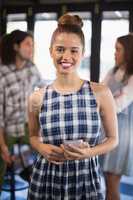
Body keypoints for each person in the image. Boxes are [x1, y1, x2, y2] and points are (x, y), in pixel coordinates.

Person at [28, 14, 118, 200]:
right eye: (60, 49)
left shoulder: (100, 92)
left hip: (85, 179)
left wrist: (89, 152)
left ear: (82, 53)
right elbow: (33, 136)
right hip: (46, 179)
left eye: (74, 51)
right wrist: (41, 147)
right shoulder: (37, 97)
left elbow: (112, 139)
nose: (66, 56)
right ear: (51, 51)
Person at [0, 30, 42, 191]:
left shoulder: (32, 68)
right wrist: (2, 146)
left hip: (26, 124)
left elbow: (42, 89)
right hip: (6, 129)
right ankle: (22, 168)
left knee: (45, 151)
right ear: (16, 47)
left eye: (32, 45)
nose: (31, 48)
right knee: (1, 164)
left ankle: (31, 175)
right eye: (27, 44)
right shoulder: (3, 72)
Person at [100, 33, 133, 200]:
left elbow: (118, 104)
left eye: (118, 49)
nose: (115, 53)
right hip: (107, 131)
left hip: (121, 135)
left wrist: (102, 102)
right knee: (108, 183)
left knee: (112, 183)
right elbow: (99, 93)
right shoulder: (112, 71)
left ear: (128, 52)